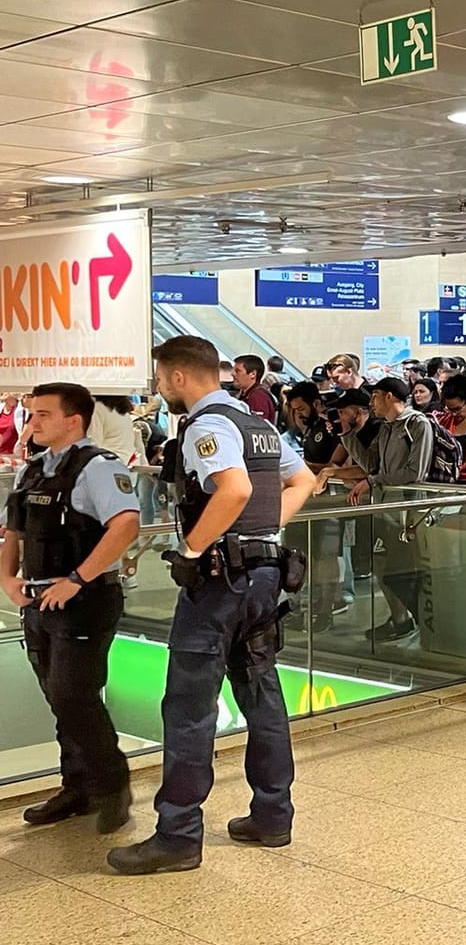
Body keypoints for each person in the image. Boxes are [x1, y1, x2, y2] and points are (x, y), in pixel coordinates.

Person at [108, 336, 318, 874]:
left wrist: (192, 547)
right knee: (261, 692)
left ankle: (177, 834)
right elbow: (303, 480)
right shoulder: (258, 424)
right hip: (266, 575)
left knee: (188, 706)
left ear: (179, 376)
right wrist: (266, 532)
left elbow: (234, 489)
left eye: (159, 377)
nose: (158, 388)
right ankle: (273, 814)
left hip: (221, 583)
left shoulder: (206, 425)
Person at [2, 384, 140, 833]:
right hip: (39, 600)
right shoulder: (35, 470)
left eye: (43, 414)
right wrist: (7, 577)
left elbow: (125, 525)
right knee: (56, 696)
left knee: (73, 694)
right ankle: (77, 786)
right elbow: (15, 532)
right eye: (32, 413)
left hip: (86, 599)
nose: (33, 423)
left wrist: (78, 578)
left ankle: (113, 784)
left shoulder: (97, 467)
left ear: (73, 420)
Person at [348, 378, 440, 641]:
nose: (371, 402)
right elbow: (370, 464)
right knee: (386, 569)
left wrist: (373, 481)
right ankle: (400, 619)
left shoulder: (417, 424)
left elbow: (415, 471)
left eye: (375, 396)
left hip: (409, 511)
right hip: (386, 510)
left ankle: (424, 624)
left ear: (389, 396)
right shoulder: (386, 428)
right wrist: (347, 434)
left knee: (404, 571)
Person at [231, 355, 276, 424]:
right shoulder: (247, 394)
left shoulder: (258, 397)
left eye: (238, 371)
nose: (232, 374)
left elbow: (257, 428)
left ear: (253, 374)